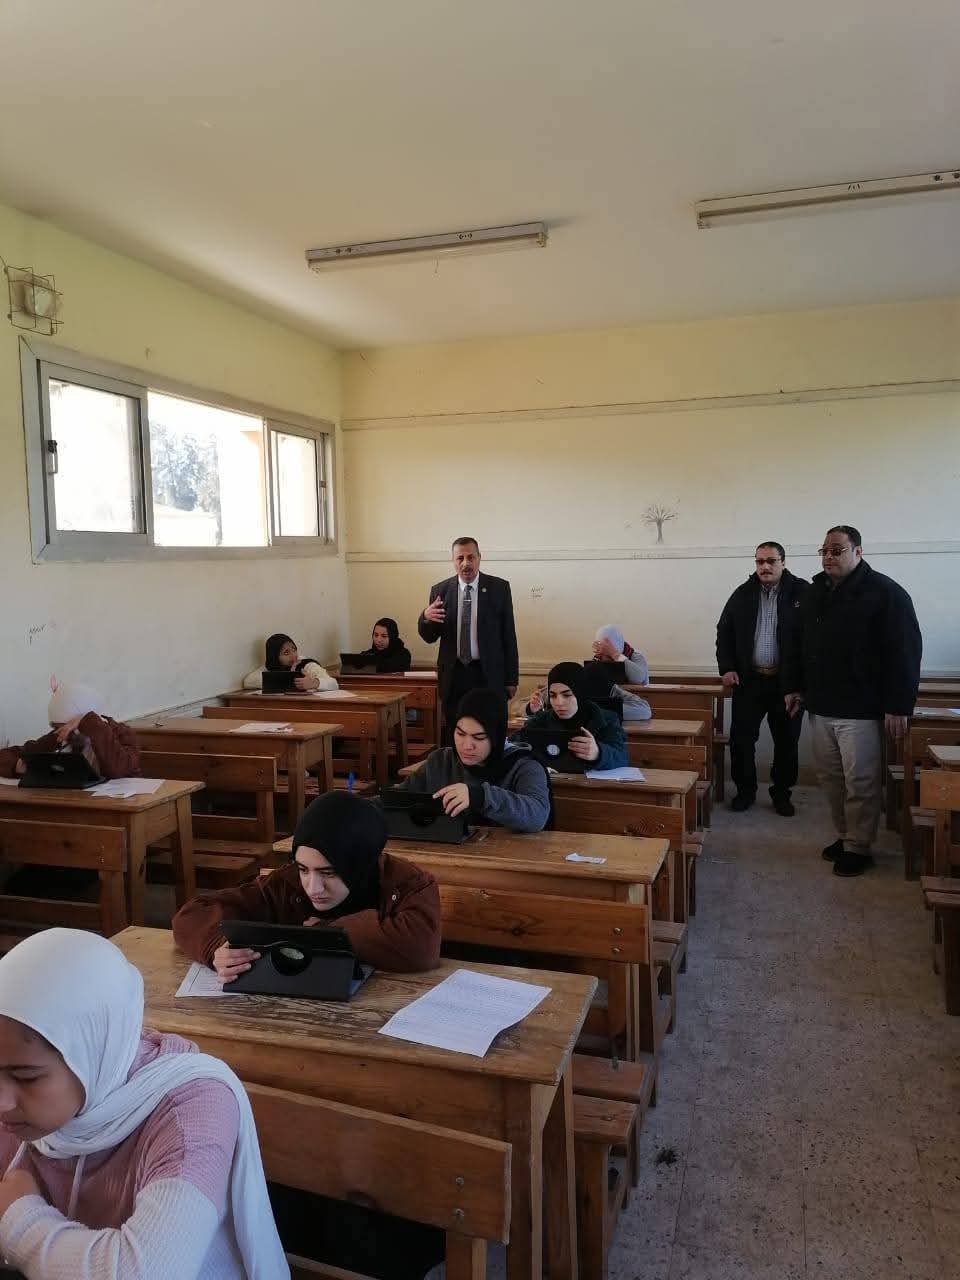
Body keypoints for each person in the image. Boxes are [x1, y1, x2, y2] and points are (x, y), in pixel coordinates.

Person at [0, 928, 288, 1280]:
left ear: (91, 1055)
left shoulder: (191, 1108)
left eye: (26, 1077)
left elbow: (148, 1272)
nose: (2, 1101)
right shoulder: (24, 1098)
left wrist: (18, 1220)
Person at [173, 790, 441, 979]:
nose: (312, 888)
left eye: (329, 873)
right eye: (304, 869)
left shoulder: (408, 884)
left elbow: (421, 948)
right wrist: (217, 947)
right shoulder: (286, 883)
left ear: (358, 866)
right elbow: (193, 913)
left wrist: (325, 931)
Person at [782, 525, 922, 877]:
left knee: (860, 781)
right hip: (821, 705)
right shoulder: (815, 592)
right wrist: (794, 687)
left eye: (837, 550)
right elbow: (797, 644)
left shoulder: (886, 593)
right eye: (824, 551)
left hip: (862, 707)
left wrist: (899, 705)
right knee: (830, 779)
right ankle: (846, 836)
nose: (828, 557)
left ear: (858, 552)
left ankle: (859, 846)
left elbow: (904, 652)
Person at [715, 542, 809, 816]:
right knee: (741, 741)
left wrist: (802, 683)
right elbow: (724, 633)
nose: (765, 567)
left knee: (787, 743)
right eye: (759, 561)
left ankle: (782, 794)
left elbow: (814, 640)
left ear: (783, 562)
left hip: (786, 684)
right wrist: (727, 668)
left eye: (771, 561)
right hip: (750, 681)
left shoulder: (802, 592)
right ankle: (745, 792)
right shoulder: (743, 594)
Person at [391, 688, 550, 833]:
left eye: (478, 737)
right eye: (460, 734)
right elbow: (397, 798)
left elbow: (537, 815)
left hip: (506, 853)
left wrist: (480, 797)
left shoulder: (524, 765)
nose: (467, 746)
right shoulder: (441, 761)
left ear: (496, 737)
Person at [417, 537, 519, 743]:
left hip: (488, 675)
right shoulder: (440, 591)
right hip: (454, 676)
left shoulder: (499, 588)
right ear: (453, 561)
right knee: (455, 732)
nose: (466, 563)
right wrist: (425, 618)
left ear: (479, 558)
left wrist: (511, 679)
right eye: (460, 558)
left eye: (471, 557)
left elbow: (508, 635)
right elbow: (430, 637)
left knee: (490, 731)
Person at [0, 681, 141, 780]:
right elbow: (7, 755)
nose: (61, 732)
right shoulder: (61, 735)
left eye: (68, 727)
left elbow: (117, 770)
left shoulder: (123, 735)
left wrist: (88, 722)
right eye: (56, 727)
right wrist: (17, 766)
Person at [514, 662, 628, 772]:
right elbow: (516, 741)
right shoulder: (541, 719)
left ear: (580, 694)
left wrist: (598, 753)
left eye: (567, 695)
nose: (559, 703)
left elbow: (622, 756)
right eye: (553, 696)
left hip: (588, 784)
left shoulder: (606, 719)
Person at [587, 624, 652, 720]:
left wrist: (615, 655)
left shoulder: (636, 656)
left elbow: (638, 679)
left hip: (634, 702)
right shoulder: (598, 659)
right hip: (610, 702)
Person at [241, 633, 337, 692]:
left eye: (294, 649)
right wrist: (286, 681)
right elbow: (248, 682)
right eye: (286, 653)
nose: (293, 655)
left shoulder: (306, 665)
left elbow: (334, 684)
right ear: (274, 657)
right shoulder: (272, 666)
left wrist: (314, 683)